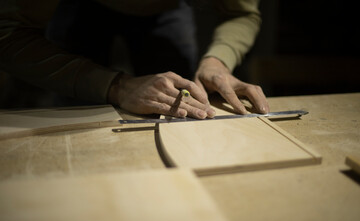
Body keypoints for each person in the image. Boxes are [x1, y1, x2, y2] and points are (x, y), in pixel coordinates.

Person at [0, 0, 269, 119]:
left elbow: (241, 12)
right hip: (79, 5)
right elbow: (8, 33)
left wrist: (217, 61)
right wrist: (116, 86)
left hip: (168, 9)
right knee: (80, 110)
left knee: (180, 107)